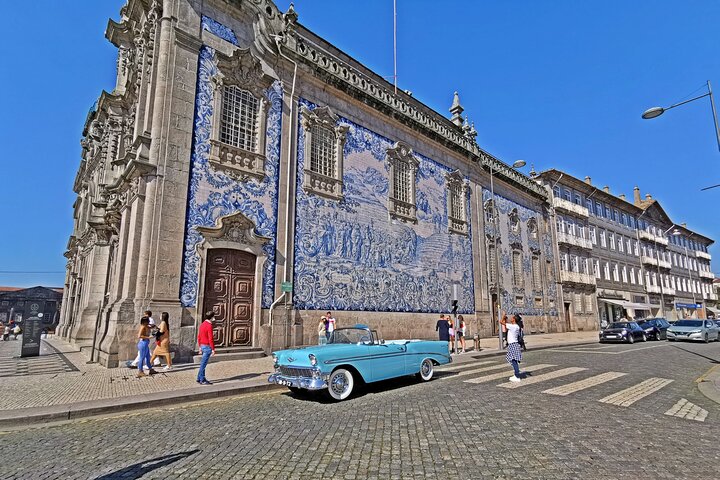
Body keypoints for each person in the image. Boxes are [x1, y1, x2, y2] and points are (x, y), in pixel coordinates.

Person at [500, 314, 523, 382]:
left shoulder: (513, 326)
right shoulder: (516, 326)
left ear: (514, 319)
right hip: (514, 344)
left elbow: (501, 322)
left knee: (513, 360)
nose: (511, 318)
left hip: (513, 345)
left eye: (512, 318)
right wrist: (506, 320)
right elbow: (507, 326)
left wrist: (503, 316)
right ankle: (516, 373)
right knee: (513, 360)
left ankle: (517, 376)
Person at [196, 311, 216, 385]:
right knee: (203, 365)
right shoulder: (209, 325)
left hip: (202, 345)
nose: (214, 318)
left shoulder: (202, 324)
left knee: (203, 364)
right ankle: (202, 380)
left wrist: (200, 347)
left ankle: (199, 378)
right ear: (211, 317)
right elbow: (211, 338)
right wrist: (213, 349)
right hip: (207, 347)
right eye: (213, 316)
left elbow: (199, 337)